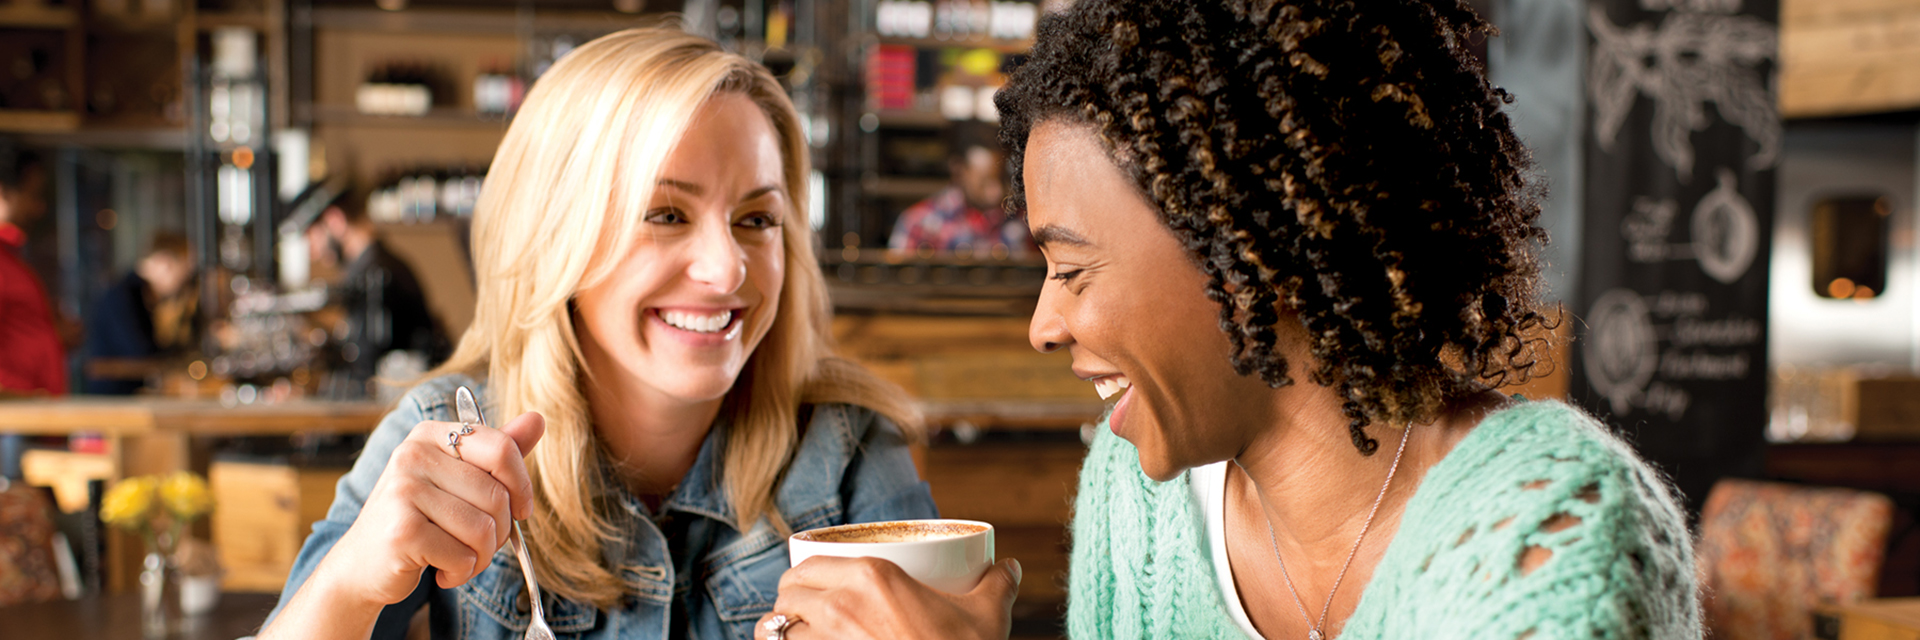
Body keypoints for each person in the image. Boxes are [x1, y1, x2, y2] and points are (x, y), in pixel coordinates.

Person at [761, 1, 1700, 639]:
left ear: (1255, 253)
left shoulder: (1550, 537)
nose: (1044, 324)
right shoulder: (1139, 495)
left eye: (1074, 269)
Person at [260, 26, 955, 640]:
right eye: (665, 213)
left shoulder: (845, 450)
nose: (725, 268)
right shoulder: (449, 434)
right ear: (554, 233)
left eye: (756, 219)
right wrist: (351, 581)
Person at [307, 190, 447, 395]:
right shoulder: (371, 269)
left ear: (335, 219)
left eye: (312, 236)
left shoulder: (378, 273)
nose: (313, 252)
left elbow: (368, 363)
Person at [886, 123, 1033, 259]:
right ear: (959, 171)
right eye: (984, 183)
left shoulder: (1023, 220)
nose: (997, 192)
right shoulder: (919, 224)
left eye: (1001, 180)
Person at [83, 231, 197, 395]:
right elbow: (140, 352)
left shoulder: (143, 295)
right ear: (165, 264)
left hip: (130, 400)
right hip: (113, 403)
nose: (186, 278)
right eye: (185, 268)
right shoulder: (123, 296)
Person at [0, 145, 61, 398]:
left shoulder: (12, 256)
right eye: (32, 195)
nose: (39, 208)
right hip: (13, 422)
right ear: (3, 194)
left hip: (30, 414)